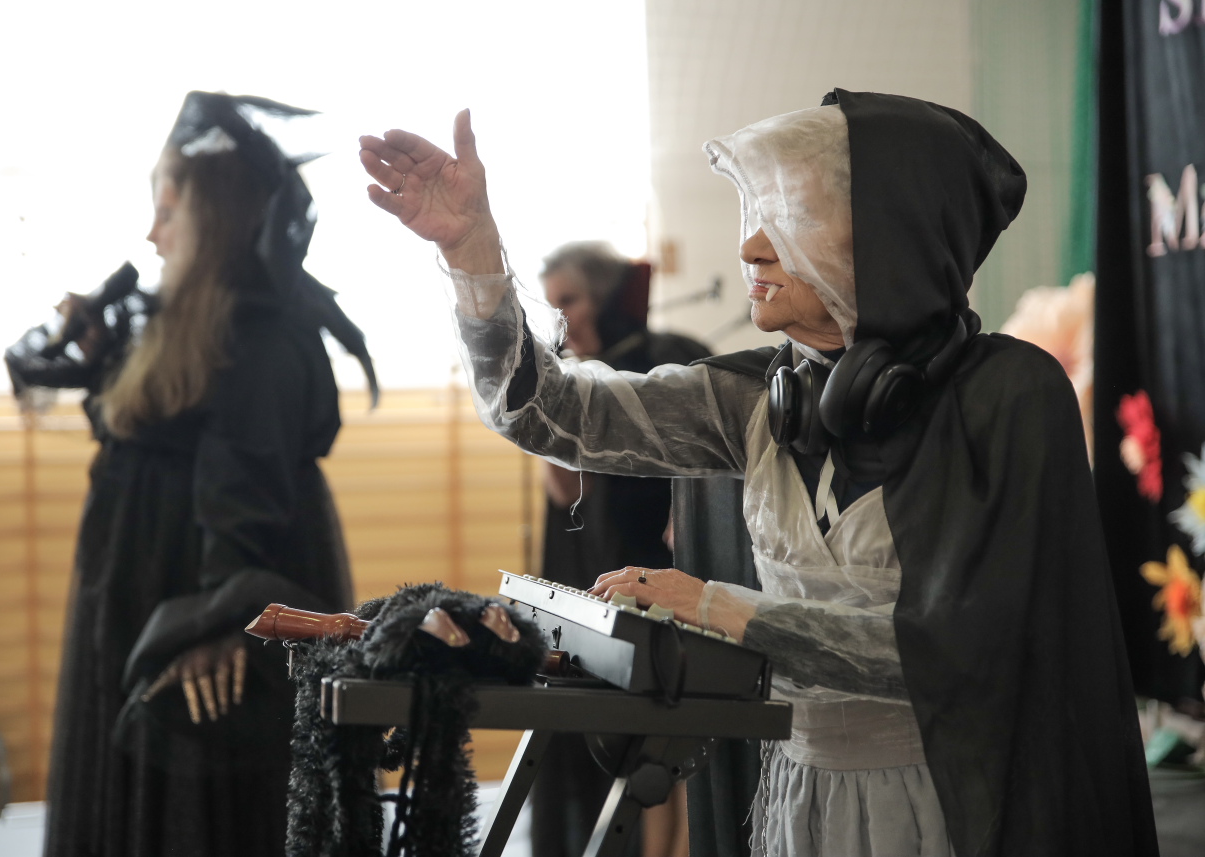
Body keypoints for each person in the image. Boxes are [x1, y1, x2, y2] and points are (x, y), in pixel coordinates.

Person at [361, 90, 1158, 857]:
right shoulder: (759, 393)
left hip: (958, 803)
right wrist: (471, 253)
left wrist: (715, 607)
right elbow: (548, 413)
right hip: (796, 794)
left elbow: (966, 650)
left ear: (893, 237)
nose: (749, 247)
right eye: (755, 216)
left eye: (791, 218)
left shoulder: (1008, 398)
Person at [6, 91, 375, 857]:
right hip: (137, 587)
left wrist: (224, 623)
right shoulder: (163, 318)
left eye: (168, 211)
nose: (152, 233)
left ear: (214, 218)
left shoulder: (264, 334)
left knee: (206, 807)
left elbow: (249, 491)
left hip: (199, 589)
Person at [532, 241, 708, 857]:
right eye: (552, 306)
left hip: (672, 578)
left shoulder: (669, 359)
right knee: (632, 745)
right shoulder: (576, 379)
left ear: (605, 299)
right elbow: (565, 494)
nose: (563, 319)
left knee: (677, 738)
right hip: (604, 578)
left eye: (571, 301)